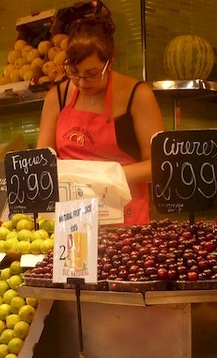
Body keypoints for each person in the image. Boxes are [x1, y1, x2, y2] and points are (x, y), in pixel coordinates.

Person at [37, 15, 164, 225]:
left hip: (124, 222)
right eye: (74, 73)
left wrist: (105, 175)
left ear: (110, 62)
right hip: (71, 220)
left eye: (92, 73)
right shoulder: (56, 97)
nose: (82, 82)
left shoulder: (138, 95)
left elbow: (158, 165)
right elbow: (41, 161)